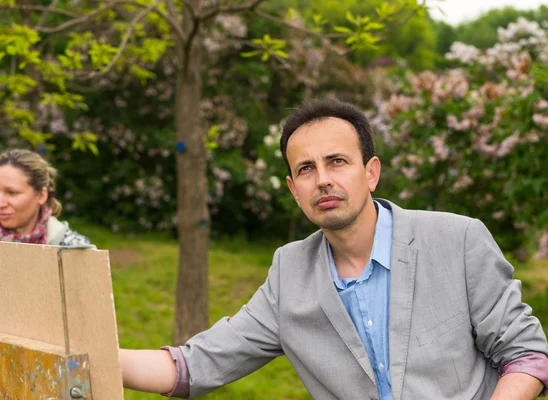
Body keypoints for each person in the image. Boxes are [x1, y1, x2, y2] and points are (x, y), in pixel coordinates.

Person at [119, 99, 548, 399]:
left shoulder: (457, 240)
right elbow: (196, 365)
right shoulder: (289, 273)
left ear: (371, 172)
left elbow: (529, 355)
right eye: (306, 168)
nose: (322, 179)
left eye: (337, 161)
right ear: (293, 189)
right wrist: (93, 357)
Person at [0, 148, 92, 399]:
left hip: (48, 389)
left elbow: (91, 337)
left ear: (41, 195)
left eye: (12, 192)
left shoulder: (74, 253)